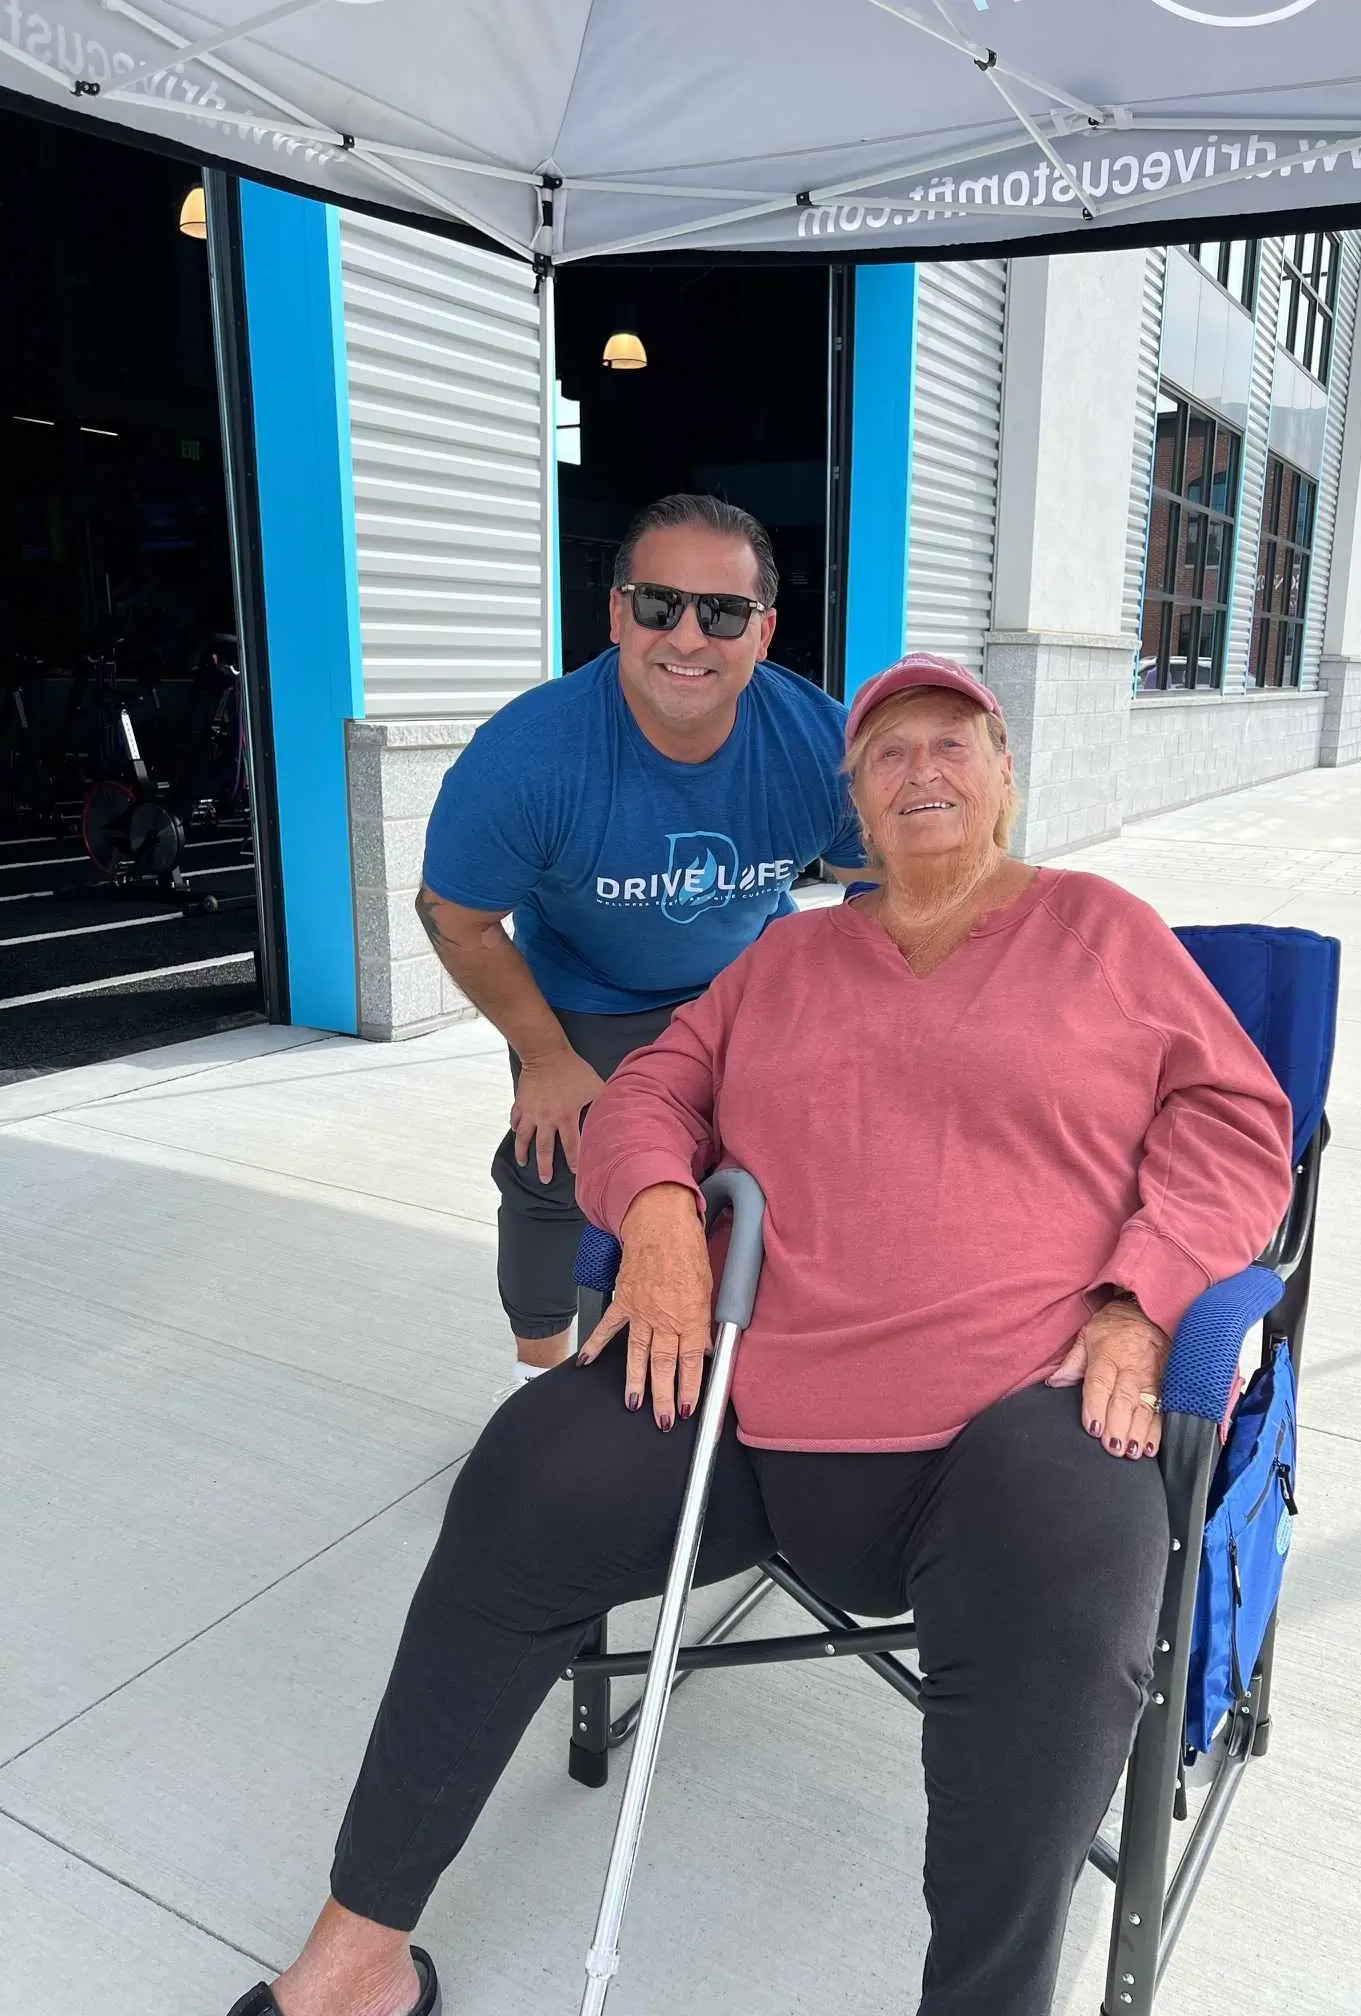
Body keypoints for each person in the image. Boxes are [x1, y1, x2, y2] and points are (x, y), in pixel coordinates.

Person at [226, 655, 1294, 2016]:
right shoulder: (783, 956)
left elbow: (1239, 1126)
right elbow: (648, 1095)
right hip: (745, 1403)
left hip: (1012, 1418)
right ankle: (356, 1953)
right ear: (848, 799)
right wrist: (660, 1211)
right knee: (527, 1473)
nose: (921, 771)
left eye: (951, 744)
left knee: (1072, 1566)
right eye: (887, 754)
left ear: (1007, 771)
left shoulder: (1104, 931)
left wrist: (1143, 1297)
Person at [414, 493, 866, 1378]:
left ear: (764, 632)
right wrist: (544, 1058)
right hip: (586, 991)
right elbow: (455, 918)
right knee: (559, 1175)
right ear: (619, 613)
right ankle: (537, 1383)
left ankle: (752, 1370)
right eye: (660, 604)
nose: (689, 638)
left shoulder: (822, 742)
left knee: (781, 1173)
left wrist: (849, 1009)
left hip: (746, 979)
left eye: (723, 612)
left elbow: (879, 883)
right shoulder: (529, 758)